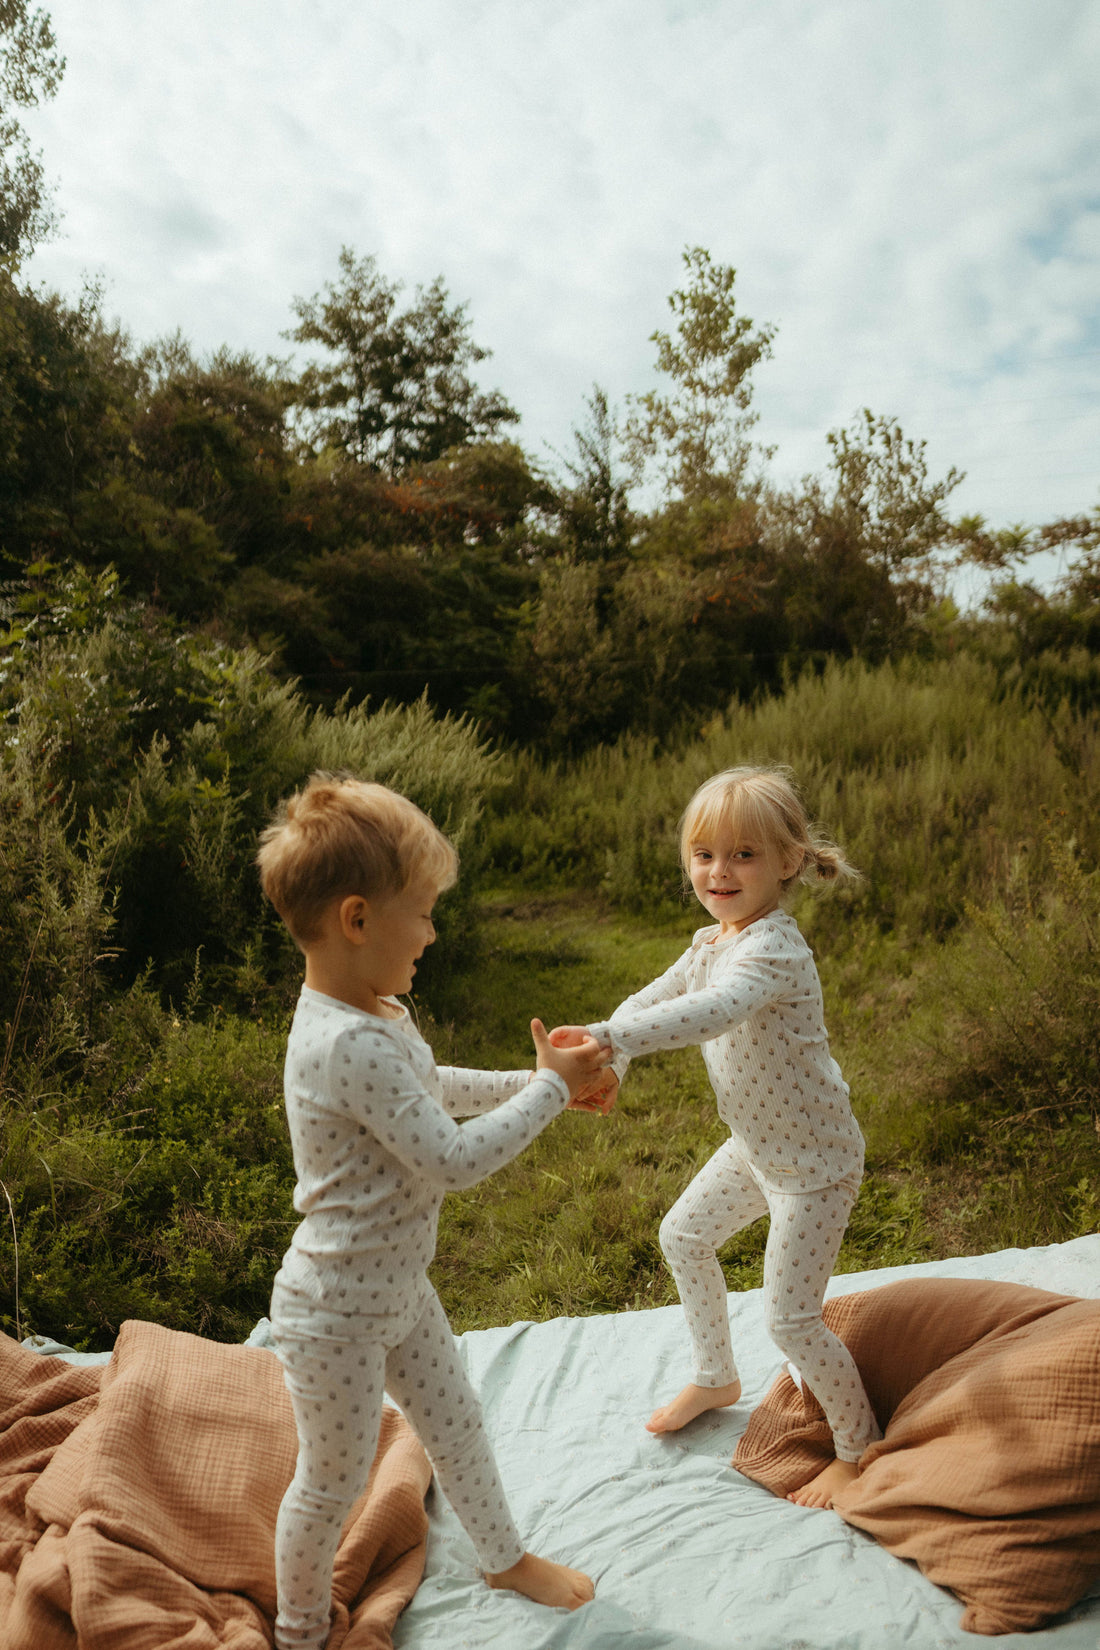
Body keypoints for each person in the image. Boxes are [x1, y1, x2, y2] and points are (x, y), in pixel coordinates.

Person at [256, 773, 610, 1649]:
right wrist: (550, 1099)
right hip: (335, 1312)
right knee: (331, 1484)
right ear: (357, 919)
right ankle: (301, 1632)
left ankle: (501, 1556)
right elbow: (450, 1160)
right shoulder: (343, 1043)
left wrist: (539, 1083)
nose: (434, 930)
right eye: (422, 910)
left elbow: (432, 1089)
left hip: (399, 1289)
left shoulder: (378, 1011)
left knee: (456, 1422)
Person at [551, 766, 881, 1509]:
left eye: (743, 855)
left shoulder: (774, 952)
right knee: (684, 1237)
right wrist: (614, 1062)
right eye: (704, 854)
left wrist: (602, 1038)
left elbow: (714, 1012)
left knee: (792, 1320)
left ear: (789, 861)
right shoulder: (712, 940)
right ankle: (715, 1376)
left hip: (815, 1168)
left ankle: (862, 1451)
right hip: (756, 1151)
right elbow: (656, 1000)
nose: (719, 871)